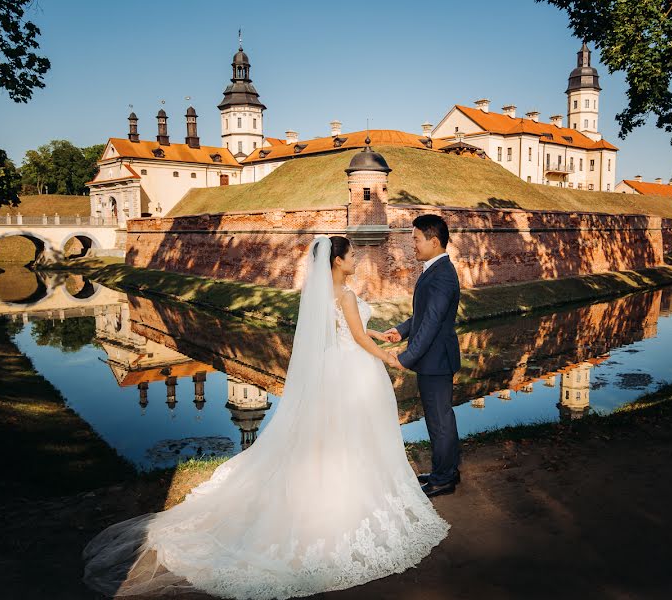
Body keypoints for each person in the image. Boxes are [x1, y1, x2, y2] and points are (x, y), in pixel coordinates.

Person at [82, 235, 449, 599]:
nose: (356, 259)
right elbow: (353, 335)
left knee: (329, 434)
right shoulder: (347, 295)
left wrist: (367, 332)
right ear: (337, 261)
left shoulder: (319, 295)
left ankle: (325, 481)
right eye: (352, 255)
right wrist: (387, 356)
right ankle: (352, 489)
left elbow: (340, 330)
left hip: (331, 370)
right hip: (353, 371)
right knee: (354, 434)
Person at [383, 214, 462, 498]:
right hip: (435, 359)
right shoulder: (436, 269)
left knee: (439, 421)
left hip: (436, 360)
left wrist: (405, 358)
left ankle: (443, 479)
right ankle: (447, 470)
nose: (412, 244)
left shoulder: (441, 275)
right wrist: (401, 331)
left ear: (434, 241)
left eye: (416, 239)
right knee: (440, 419)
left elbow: (430, 324)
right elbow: (423, 316)